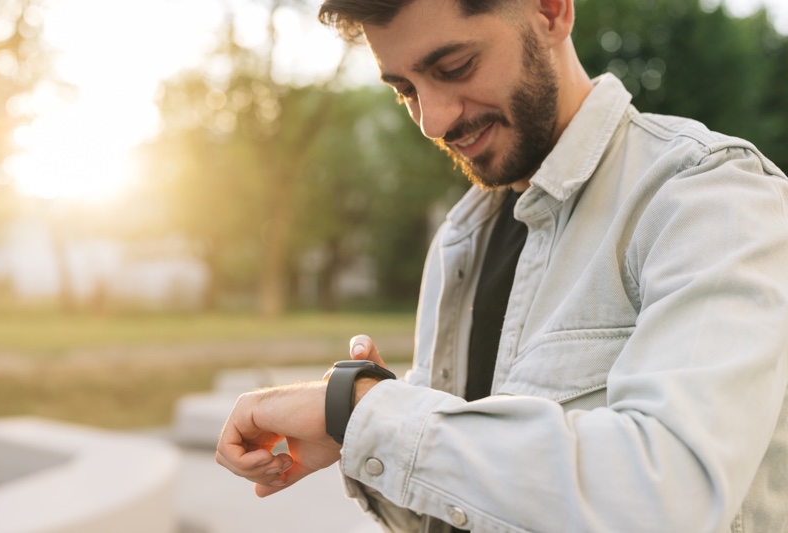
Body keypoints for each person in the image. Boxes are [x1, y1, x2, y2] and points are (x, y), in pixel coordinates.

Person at [215, 0, 788, 531]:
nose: (432, 121)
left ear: (550, 10)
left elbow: (672, 495)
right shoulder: (460, 239)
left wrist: (366, 411)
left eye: (454, 66)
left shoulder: (706, 194)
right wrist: (357, 435)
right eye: (404, 90)